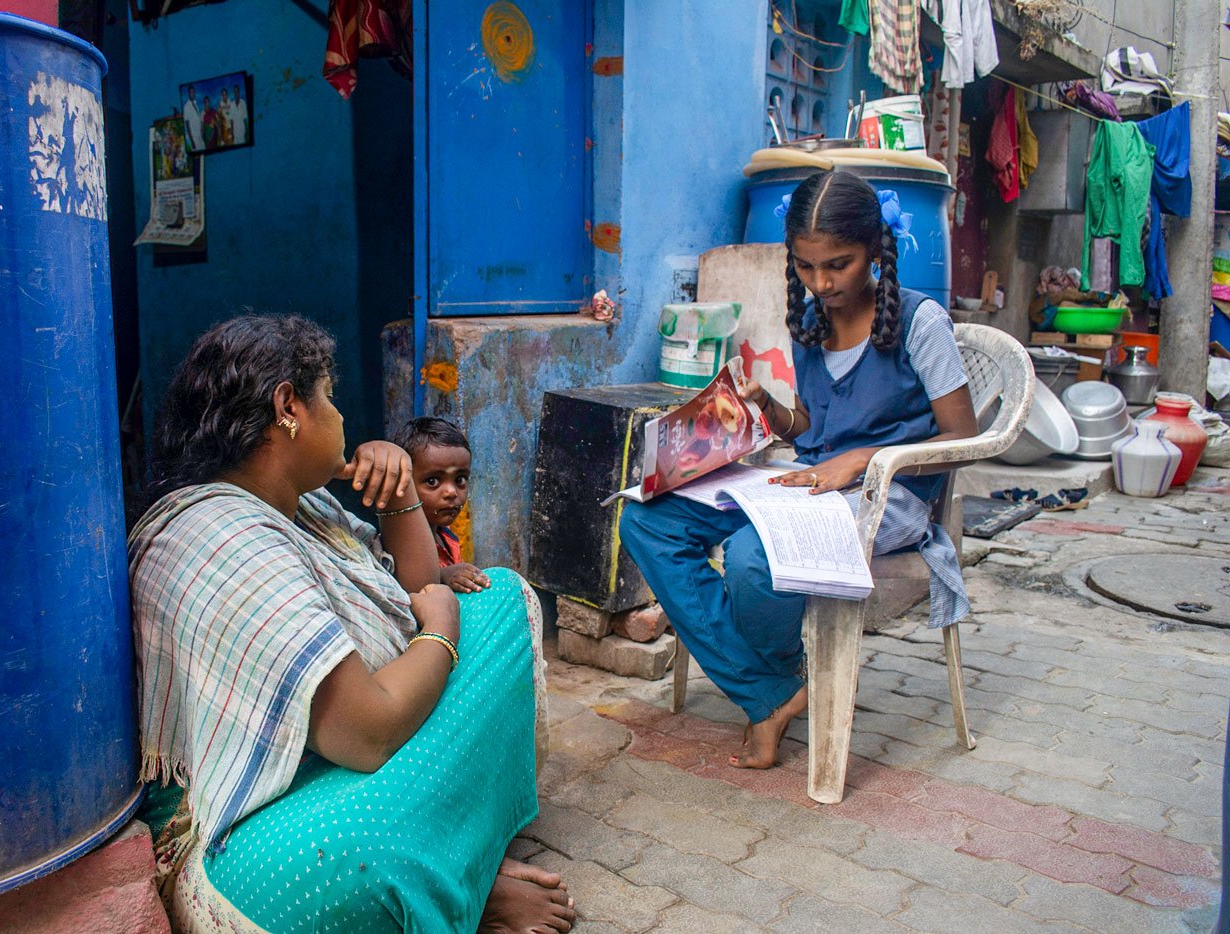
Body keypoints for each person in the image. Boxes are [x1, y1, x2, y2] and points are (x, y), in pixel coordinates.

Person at [129, 315, 573, 933]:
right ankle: (465, 879)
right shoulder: (221, 535)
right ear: (289, 406)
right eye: (330, 397)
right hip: (246, 837)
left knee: (500, 600)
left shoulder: (297, 502)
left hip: (338, 750)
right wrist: (439, 636)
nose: (341, 416)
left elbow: (410, 587)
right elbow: (367, 732)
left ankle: (457, 868)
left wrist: (400, 494)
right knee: (372, 854)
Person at [618, 170, 977, 771]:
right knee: (648, 519)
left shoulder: (922, 322)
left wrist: (862, 461)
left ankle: (767, 689)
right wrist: (764, 410)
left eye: (838, 264)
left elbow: (965, 438)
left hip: (893, 494)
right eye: (806, 267)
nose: (822, 282)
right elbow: (810, 424)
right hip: (809, 479)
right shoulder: (810, 319)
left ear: (876, 250)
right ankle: (770, 691)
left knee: (756, 560)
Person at [391, 417, 491, 594]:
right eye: (432, 481)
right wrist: (442, 576)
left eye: (460, 480)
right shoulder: (396, 544)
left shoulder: (447, 538)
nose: (451, 492)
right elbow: (406, 594)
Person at [182, 85, 202, 151]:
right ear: (188, 94)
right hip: (194, 138)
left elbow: (198, 119)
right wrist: (192, 141)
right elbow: (187, 125)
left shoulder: (196, 104)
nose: (192, 94)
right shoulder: (186, 107)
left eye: (193, 92)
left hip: (199, 136)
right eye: (191, 92)